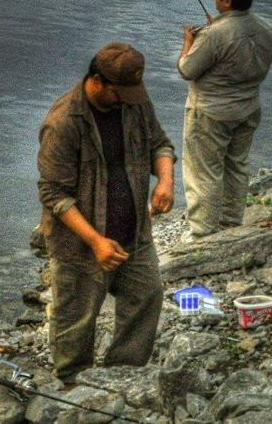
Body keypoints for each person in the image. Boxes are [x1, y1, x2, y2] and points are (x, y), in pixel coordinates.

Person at [37, 42, 175, 388]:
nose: (127, 100)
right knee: (77, 319)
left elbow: (160, 144)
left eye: (132, 93)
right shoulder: (64, 121)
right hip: (80, 243)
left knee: (147, 296)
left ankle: (122, 375)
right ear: (96, 81)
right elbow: (54, 193)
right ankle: (72, 384)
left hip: (133, 232)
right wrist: (96, 241)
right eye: (120, 93)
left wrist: (166, 183)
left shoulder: (134, 103)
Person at [176, 0, 272, 239]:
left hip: (211, 112)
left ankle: (202, 233)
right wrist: (216, 29)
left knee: (204, 173)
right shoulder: (267, 30)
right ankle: (230, 223)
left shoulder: (213, 35)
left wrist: (189, 42)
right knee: (237, 165)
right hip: (249, 108)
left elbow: (187, 69)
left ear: (227, 1)